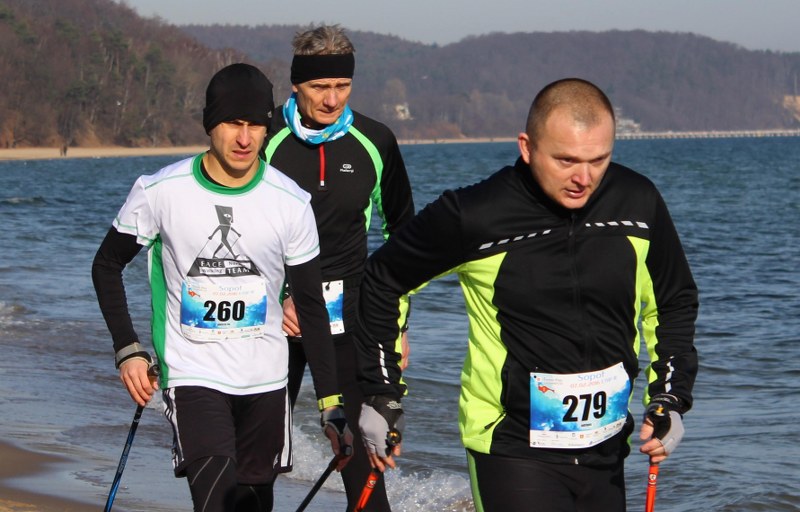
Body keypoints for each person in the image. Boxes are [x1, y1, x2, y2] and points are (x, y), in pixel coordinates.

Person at [356, 78, 699, 511]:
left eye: (599, 160)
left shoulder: (638, 202)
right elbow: (382, 280)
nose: (584, 178)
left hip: (607, 446)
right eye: (566, 160)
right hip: (510, 447)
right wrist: (382, 392)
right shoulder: (474, 214)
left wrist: (669, 397)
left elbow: (673, 300)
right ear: (527, 147)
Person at [92, 63, 351, 512]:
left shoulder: (290, 201)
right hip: (192, 373)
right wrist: (127, 349)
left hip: (267, 379)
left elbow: (311, 304)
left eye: (255, 126)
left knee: (251, 505)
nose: (245, 138)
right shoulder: (160, 191)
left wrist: (331, 403)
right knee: (216, 501)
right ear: (210, 124)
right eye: (233, 123)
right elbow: (106, 265)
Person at [262, 25, 415, 511]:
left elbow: (403, 242)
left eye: (342, 86)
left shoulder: (376, 140)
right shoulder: (264, 138)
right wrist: (277, 296)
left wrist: (397, 326)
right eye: (320, 87)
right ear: (296, 85)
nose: (332, 99)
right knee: (258, 455)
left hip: (349, 314)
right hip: (277, 317)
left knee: (363, 456)